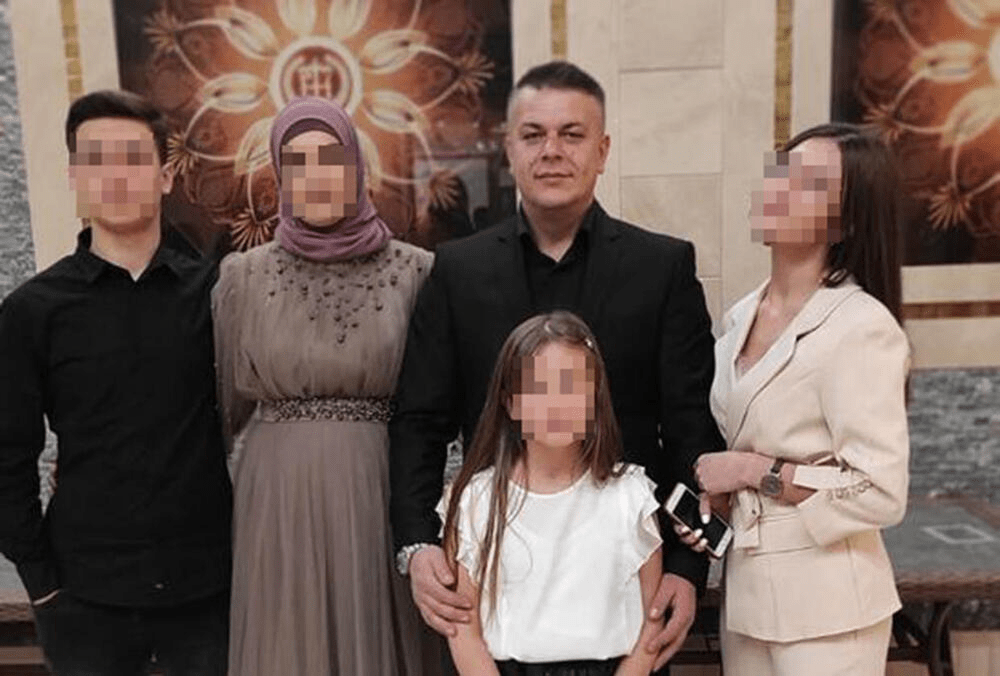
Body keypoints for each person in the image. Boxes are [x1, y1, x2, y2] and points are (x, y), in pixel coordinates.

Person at [389, 60, 724, 672]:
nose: (552, 151)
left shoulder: (662, 267)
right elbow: (419, 421)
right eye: (533, 134)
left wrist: (686, 566)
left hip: (625, 592)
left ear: (602, 150)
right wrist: (417, 544)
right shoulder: (458, 271)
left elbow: (690, 429)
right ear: (510, 149)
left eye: (572, 134)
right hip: (501, 587)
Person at [0, 90, 232, 675]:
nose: (116, 176)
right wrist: (40, 581)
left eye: (133, 158)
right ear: (75, 177)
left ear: (166, 176)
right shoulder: (33, 310)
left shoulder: (218, 295)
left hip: (209, 592)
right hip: (83, 597)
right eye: (96, 160)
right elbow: (8, 454)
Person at [213, 96, 439, 675]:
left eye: (330, 159)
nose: (315, 176)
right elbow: (224, 413)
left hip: (382, 492)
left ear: (356, 167)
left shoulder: (416, 272)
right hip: (277, 499)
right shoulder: (242, 277)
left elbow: (438, 407)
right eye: (297, 162)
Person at [676, 123, 910, 675]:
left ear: (846, 221)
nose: (778, 187)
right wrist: (719, 505)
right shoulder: (739, 318)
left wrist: (750, 470)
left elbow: (880, 492)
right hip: (749, 601)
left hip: (832, 611)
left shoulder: (860, 325)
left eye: (807, 183)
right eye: (781, 171)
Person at [440, 311, 664, 676]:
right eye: (540, 388)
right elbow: (464, 631)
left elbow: (651, 624)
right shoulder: (475, 501)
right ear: (511, 402)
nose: (558, 402)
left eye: (572, 387)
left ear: (594, 398)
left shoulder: (631, 496)